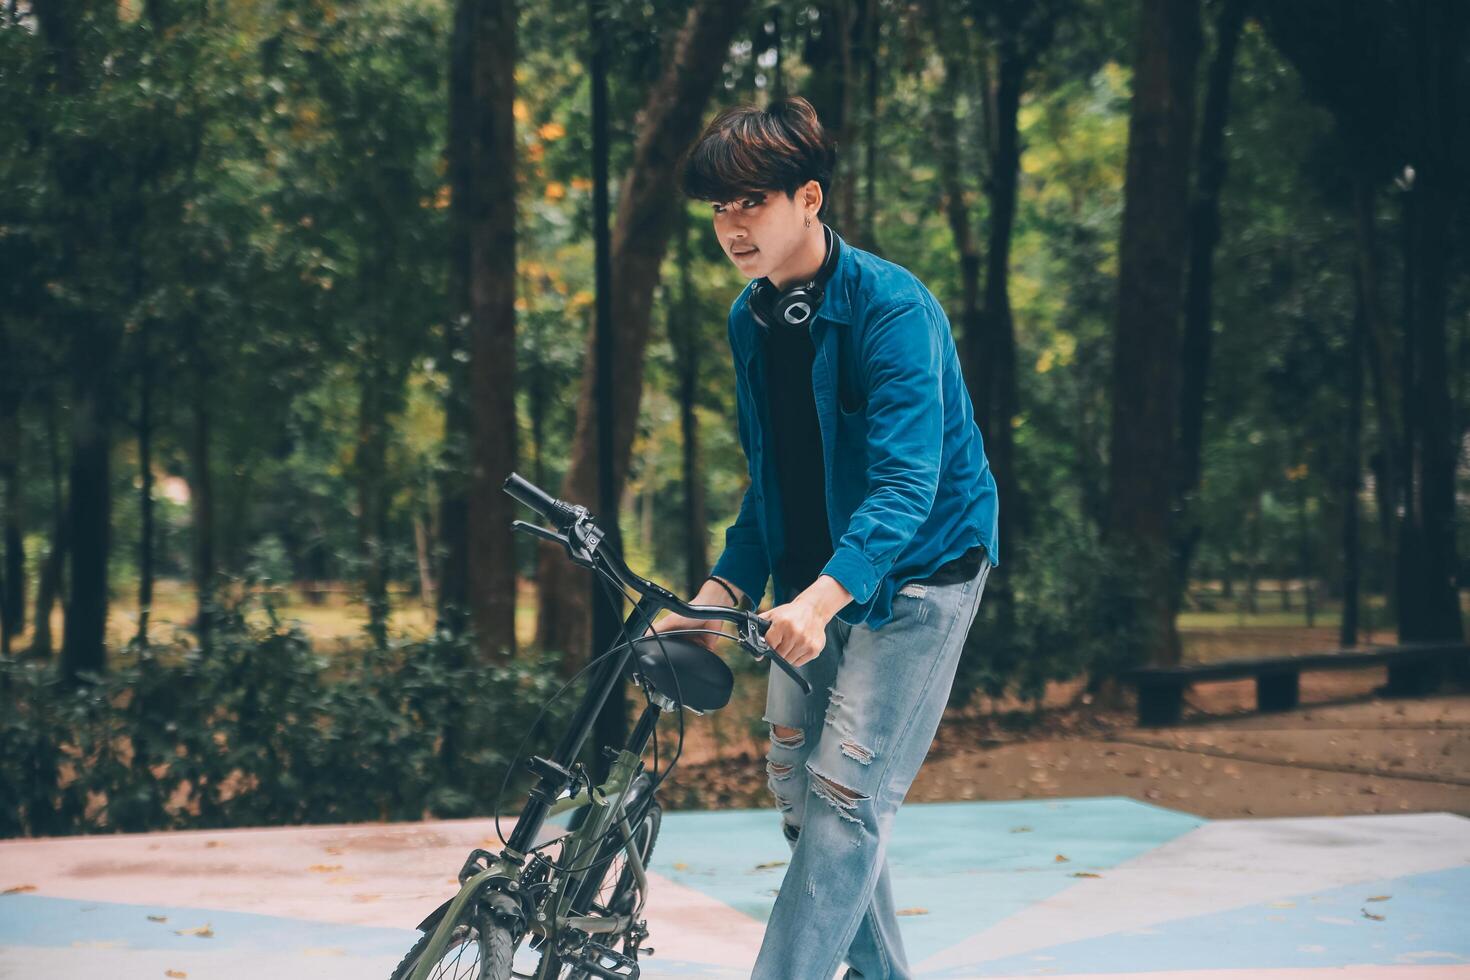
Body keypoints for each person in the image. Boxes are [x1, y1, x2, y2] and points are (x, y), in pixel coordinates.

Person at [650, 96, 1000, 980]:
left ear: (808, 198)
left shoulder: (892, 308)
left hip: (922, 576)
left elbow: (907, 486)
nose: (732, 226)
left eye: (751, 202)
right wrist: (716, 596)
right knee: (804, 796)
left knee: (846, 796)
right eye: (719, 208)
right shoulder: (751, 320)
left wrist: (819, 598)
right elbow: (770, 482)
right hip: (821, 585)